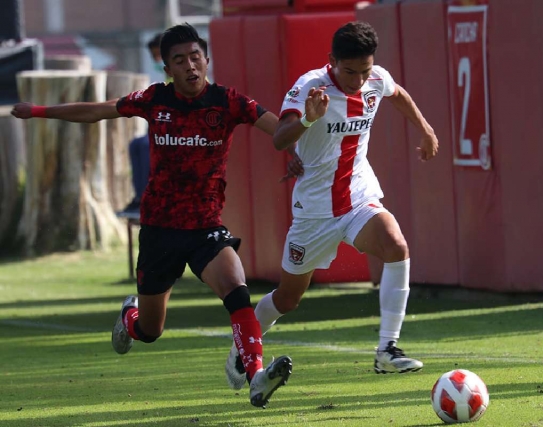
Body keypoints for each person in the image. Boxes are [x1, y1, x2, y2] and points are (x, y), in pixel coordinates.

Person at [12, 23, 292, 409]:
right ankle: (130, 317)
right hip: (160, 230)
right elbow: (99, 111)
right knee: (150, 329)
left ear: (206, 60)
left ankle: (256, 376)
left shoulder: (229, 102)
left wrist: (300, 144)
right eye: (180, 60)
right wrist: (41, 111)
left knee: (237, 288)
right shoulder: (154, 99)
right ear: (167, 69)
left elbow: (278, 131)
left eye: (196, 57)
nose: (190, 66)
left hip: (205, 226)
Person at [225, 20, 439, 390]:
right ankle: (241, 349)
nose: (358, 80)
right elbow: (279, 139)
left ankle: (387, 349)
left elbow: (398, 94)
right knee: (288, 299)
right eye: (349, 71)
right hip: (314, 213)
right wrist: (309, 118)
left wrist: (425, 129)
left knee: (396, 246)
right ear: (332, 61)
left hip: (358, 197)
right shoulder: (310, 86)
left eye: (365, 71)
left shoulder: (376, 79)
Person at [118, 33, 166, 217]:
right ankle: (140, 197)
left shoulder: (187, 76)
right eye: (153, 56)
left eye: (158, 54)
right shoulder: (164, 79)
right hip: (162, 129)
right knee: (136, 144)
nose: (156, 60)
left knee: (146, 145)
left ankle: (150, 197)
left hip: (182, 133)